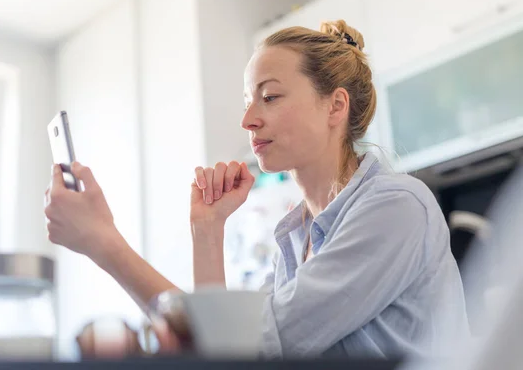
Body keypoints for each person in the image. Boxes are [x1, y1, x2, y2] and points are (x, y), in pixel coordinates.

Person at [44, 20, 469, 358]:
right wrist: (207, 231)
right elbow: (223, 350)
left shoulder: (396, 206)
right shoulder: (296, 238)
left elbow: (255, 347)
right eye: (249, 100)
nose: (248, 118)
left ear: (336, 106)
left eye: (269, 97)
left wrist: (105, 244)